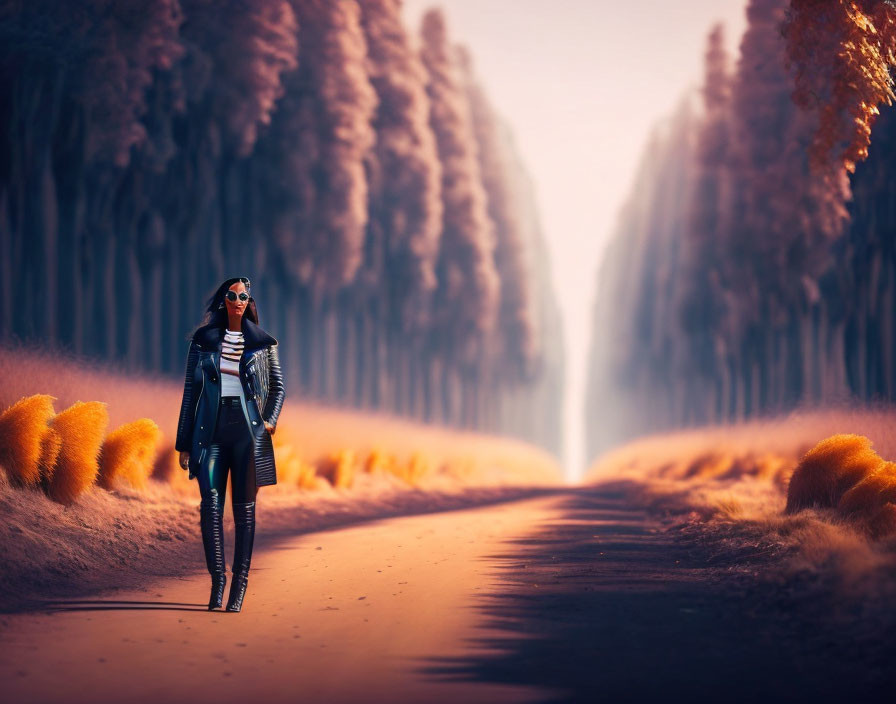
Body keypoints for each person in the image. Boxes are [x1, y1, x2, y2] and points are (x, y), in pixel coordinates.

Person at [174, 276, 285, 612]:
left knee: (245, 512)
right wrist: (184, 442)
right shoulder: (202, 341)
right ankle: (217, 580)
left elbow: (278, 389)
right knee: (210, 509)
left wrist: (270, 421)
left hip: (248, 436)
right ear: (223, 300)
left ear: (249, 302)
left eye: (243, 295)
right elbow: (190, 394)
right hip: (210, 432)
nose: (237, 300)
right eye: (232, 295)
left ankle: (240, 585)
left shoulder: (265, 344)